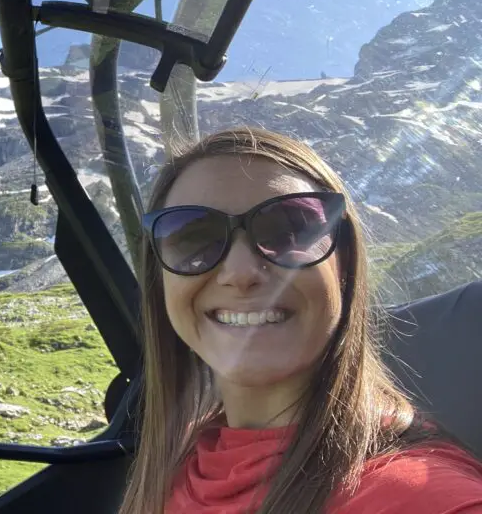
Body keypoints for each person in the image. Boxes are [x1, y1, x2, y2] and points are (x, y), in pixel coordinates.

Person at [117, 127, 482, 514]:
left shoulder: (426, 500)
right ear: (161, 282)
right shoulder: (184, 454)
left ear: (344, 264)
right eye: (192, 238)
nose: (239, 272)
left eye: (289, 230)